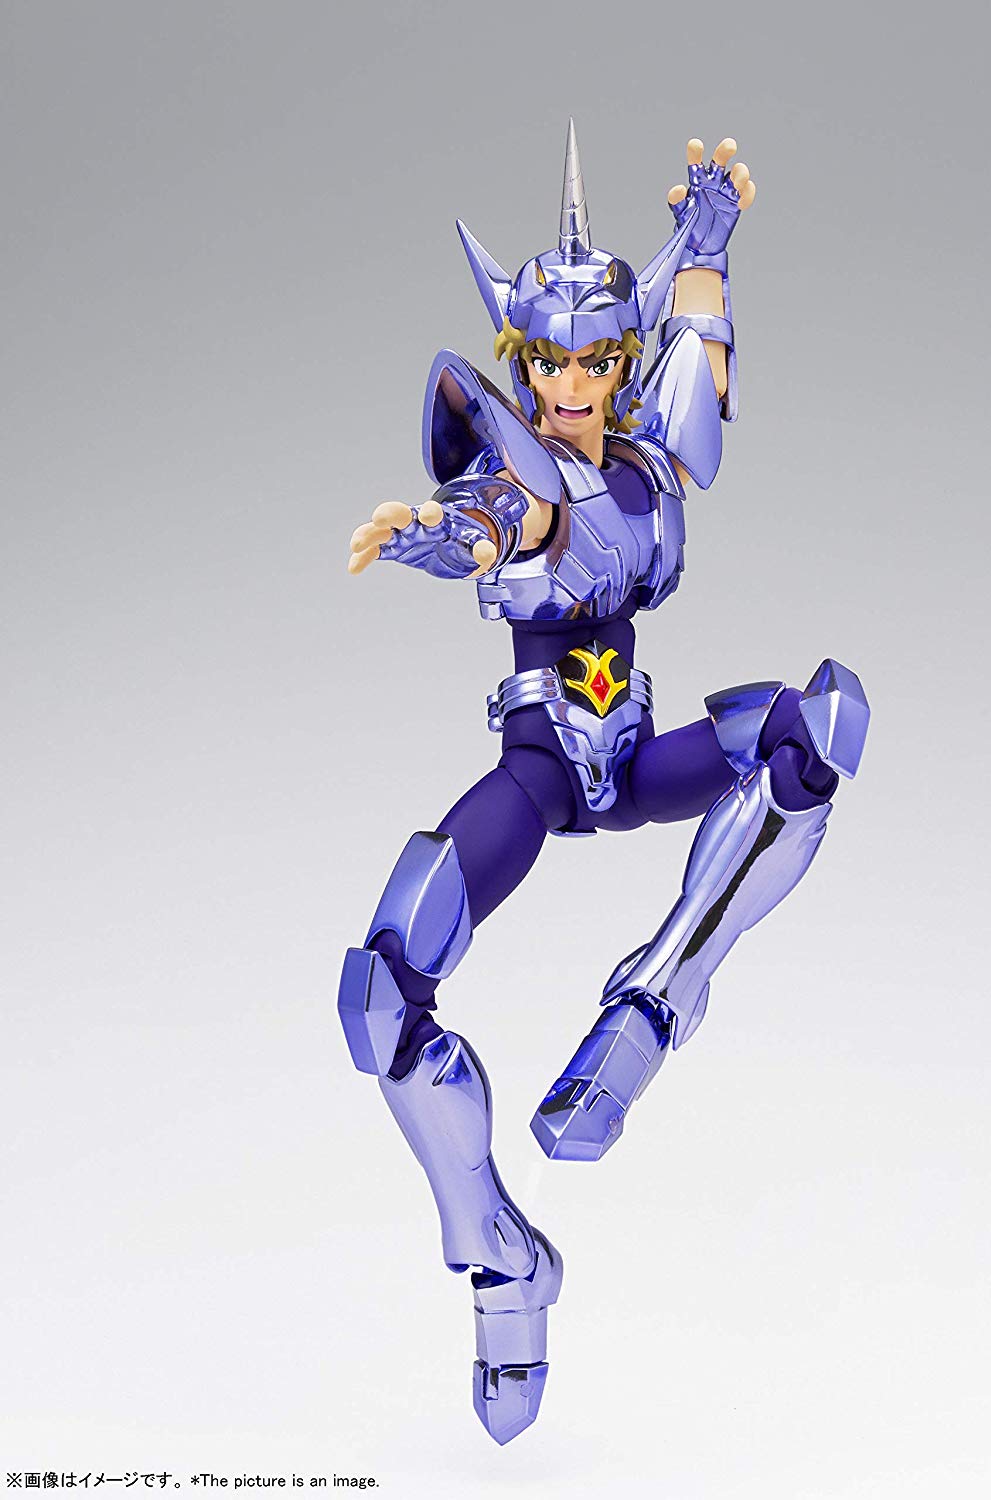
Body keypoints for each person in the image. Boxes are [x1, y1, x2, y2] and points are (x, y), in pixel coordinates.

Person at [338, 122, 869, 1444]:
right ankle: (501, 1262)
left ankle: (645, 1014)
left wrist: (709, 246)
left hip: (631, 758)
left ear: (620, 365)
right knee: (380, 990)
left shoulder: (643, 463)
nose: (571, 385)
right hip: (539, 776)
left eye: (594, 362)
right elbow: (493, 518)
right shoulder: (517, 471)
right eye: (548, 363)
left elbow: (700, 377)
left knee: (818, 728)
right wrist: (433, 534)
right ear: (519, 364)